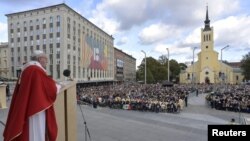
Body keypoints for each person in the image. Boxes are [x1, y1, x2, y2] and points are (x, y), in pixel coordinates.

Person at [3, 50, 62, 141]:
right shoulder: (36, 70)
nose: (47, 61)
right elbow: (49, 88)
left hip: (29, 106)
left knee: (31, 132)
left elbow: (42, 84)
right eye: (45, 58)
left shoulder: (27, 69)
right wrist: (58, 86)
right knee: (36, 132)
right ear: (39, 59)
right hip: (36, 109)